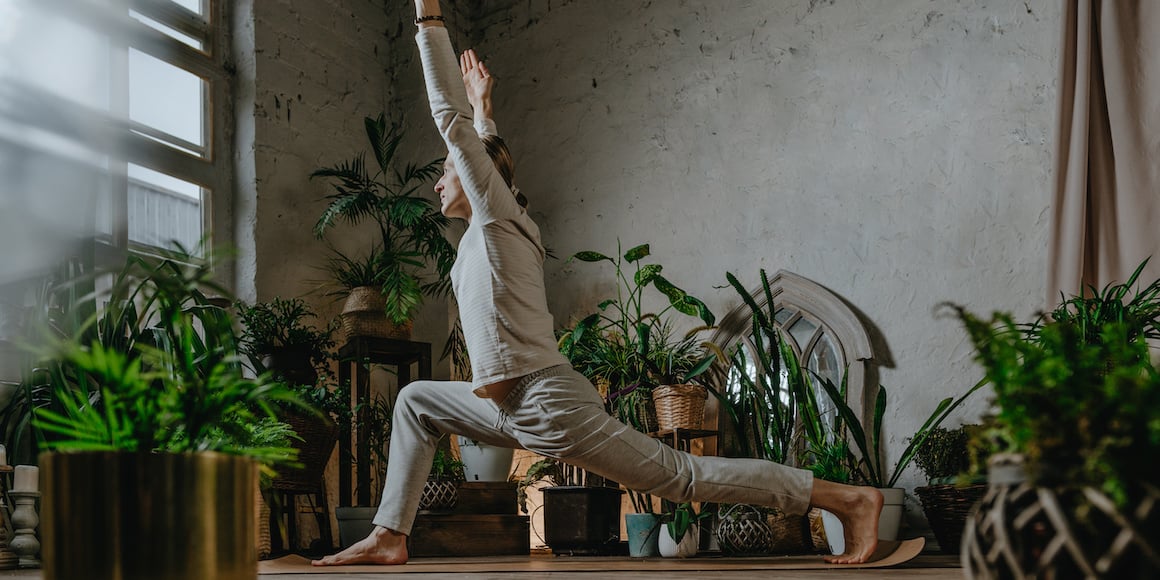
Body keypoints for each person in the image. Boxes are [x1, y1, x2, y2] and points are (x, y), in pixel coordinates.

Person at [313, 0, 883, 567]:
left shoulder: (498, 223)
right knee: (415, 401)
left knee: (682, 478)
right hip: (509, 409)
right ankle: (391, 535)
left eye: (446, 172)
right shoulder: (484, 234)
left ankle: (846, 499)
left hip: (549, 402)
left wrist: (428, 18)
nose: (439, 184)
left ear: (472, 177)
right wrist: (486, 112)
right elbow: (485, 155)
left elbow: (454, 128)